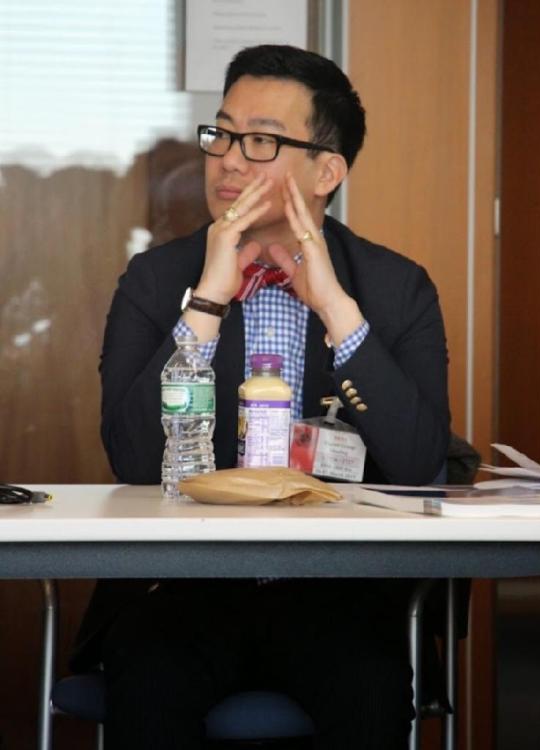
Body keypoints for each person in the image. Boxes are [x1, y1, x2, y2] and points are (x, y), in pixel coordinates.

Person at [70, 44, 451, 750]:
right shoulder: (157, 280)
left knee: (370, 691)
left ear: (327, 171)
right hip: (183, 586)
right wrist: (207, 303)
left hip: (336, 590)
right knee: (148, 682)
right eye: (221, 134)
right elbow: (132, 458)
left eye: (262, 141)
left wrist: (337, 310)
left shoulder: (396, 289)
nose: (228, 160)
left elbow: (420, 461)